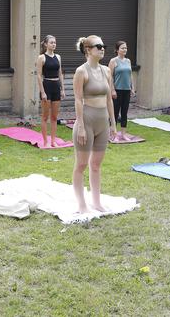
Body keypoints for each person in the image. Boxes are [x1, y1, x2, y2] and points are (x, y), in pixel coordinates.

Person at [72, 35, 117, 214]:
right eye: (98, 46)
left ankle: (96, 202)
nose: (102, 48)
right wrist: (81, 126)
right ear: (88, 50)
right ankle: (81, 204)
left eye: (103, 45)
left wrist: (113, 124)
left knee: (96, 165)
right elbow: (77, 99)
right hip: (87, 121)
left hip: (102, 122)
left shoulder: (106, 70)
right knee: (81, 165)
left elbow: (109, 100)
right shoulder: (81, 71)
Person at [35, 35, 65, 147]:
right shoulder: (41, 57)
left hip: (56, 86)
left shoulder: (58, 57)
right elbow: (38, 75)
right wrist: (42, 92)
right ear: (46, 44)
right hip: (46, 85)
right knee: (45, 116)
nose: (54, 44)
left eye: (55, 42)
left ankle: (53, 141)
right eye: (51, 42)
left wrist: (62, 89)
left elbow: (60, 73)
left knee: (54, 117)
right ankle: (46, 142)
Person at [108, 41, 136, 140]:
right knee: (114, 112)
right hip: (117, 90)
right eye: (122, 48)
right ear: (117, 50)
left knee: (124, 112)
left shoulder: (128, 61)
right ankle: (113, 133)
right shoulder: (113, 61)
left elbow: (130, 74)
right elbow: (109, 76)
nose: (125, 50)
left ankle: (123, 134)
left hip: (126, 90)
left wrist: (132, 87)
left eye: (126, 48)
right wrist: (112, 90)